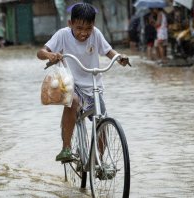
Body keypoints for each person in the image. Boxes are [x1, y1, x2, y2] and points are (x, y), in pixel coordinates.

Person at [36, 2, 129, 162]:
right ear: (70, 23)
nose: (84, 33)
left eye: (88, 28)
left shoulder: (96, 34)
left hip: (94, 86)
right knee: (73, 102)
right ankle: (66, 148)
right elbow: (40, 52)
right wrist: (50, 55)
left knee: (102, 121)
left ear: (93, 25)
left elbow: (107, 51)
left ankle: (97, 162)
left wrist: (119, 57)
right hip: (71, 83)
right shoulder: (62, 35)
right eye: (79, 28)